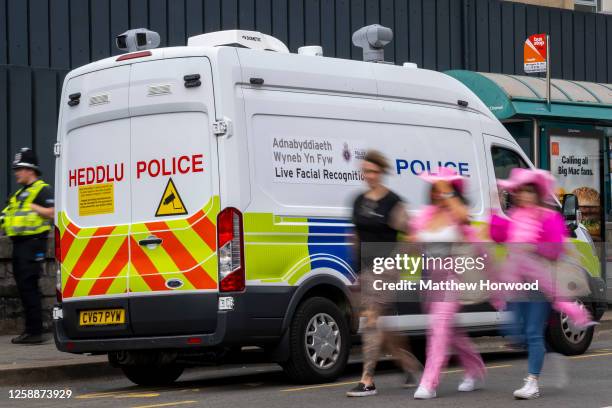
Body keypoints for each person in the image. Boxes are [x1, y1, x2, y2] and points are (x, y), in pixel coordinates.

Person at [490, 168, 594, 399]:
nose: (524, 196)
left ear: (537, 194)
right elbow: (497, 235)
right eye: (521, 192)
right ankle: (551, 359)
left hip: (539, 284)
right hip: (517, 285)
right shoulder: (516, 216)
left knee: (532, 332)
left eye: (529, 192)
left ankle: (532, 383)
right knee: (516, 334)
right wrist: (494, 206)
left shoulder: (549, 218)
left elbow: (555, 250)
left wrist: (533, 247)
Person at [346, 150, 421, 397]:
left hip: (386, 269)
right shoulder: (358, 200)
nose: (370, 176)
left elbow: (411, 236)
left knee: (371, 318)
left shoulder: (393, 202)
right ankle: (408, 364)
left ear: (382, 173)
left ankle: (367, 380)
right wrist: (355, 266)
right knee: (381, 325)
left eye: (375, 171)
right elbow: (356, 233)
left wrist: (395, 262)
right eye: (366, 171)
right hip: (365, 270)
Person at [410, 168, 486, 400]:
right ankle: (474, 368)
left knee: (439, 328)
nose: (437, 194)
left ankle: (429, 382)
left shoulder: (457, 214)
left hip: (454, 278)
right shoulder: (426, 215)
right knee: (451, 332)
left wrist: (447, 191)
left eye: (442, 189)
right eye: (434, 189)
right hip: (431, 281)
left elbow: (464, 217)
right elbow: (414, 244)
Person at [1, 148, 54, 344]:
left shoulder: (42, 189)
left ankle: (35, 333)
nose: (16, 172)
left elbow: (53, 212)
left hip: (32, 245)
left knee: (29, 287)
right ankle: (31, 330)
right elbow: (5, 215)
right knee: (24, 288)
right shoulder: (18, 194)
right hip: (19, 245)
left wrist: (35, 207)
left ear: (30, 170)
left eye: (19, 168)